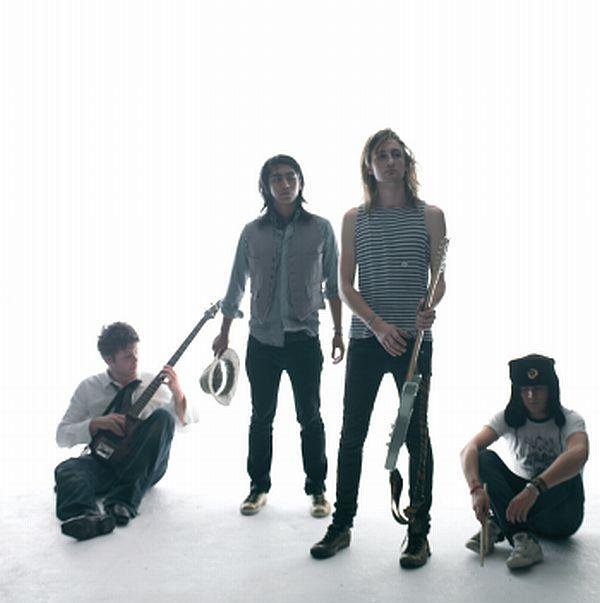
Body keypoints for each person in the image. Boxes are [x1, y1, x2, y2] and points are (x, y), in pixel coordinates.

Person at [310, 129, 446, 568]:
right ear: (369, 166)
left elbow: (438, 279)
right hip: (369, 340)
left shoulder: (431, 215)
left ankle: (418, 533)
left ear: (407, 162)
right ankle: (341, 525)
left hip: (414, 342)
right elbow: (344, 286)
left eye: (396, 154)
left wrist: (429, 307)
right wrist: (378, 324)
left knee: (415, 436)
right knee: (353, 435)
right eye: (381, 156)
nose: (390, 161)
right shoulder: (355, 218)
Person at [213, 154, 344, 518]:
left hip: (305, 339)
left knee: (310, 417)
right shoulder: (251, 233)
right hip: (262, 341)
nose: (284, 184)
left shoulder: (321, 229)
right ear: (266, 187)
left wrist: (338, 332)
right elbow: (235, 285)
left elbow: (334, 286)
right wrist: (224, 332)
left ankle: (318, 490)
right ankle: (258, 487)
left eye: (290, 177)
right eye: (276, 179)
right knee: (261, 417)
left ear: (300, 182)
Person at [55, 322, 195, 540]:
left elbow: (185, 423)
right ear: (109, 360)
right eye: (128, 356)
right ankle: (88, 518)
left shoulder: (153, 384)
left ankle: (121, 503)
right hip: (105, 462)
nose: (136, 360)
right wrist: (95, 424)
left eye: (137, 353)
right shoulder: (88, 388)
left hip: (143, 466)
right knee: (67, 470)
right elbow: (62, 436)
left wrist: (178, 394)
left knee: (163, 417)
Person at [460, 354, 588, 569]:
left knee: (570, 470)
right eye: (524, 389)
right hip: (521, 508)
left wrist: (534, 489)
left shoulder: (571, 419)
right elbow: (469, 449)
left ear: (551, 389)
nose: (531, 396)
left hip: (561, 515)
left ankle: (498, 524)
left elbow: (580, 452)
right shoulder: (506, 418)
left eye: (538, 388)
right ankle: (523, 538)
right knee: (483, 457)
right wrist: (475, 489)